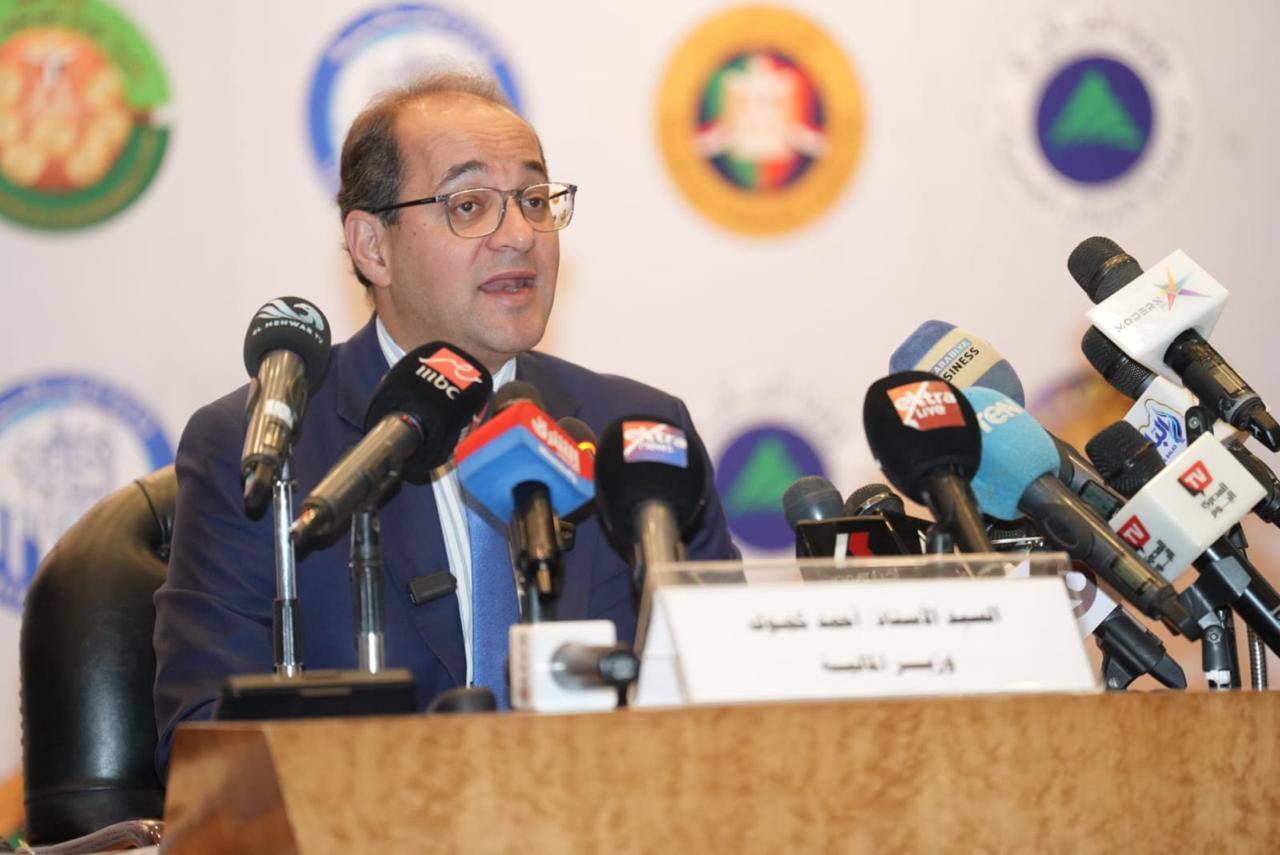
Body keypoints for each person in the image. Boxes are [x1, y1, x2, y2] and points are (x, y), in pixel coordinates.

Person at [151, 71, 737, 779]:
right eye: (469, 205)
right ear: (372, 246)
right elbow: (204, 745)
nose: (519, 236)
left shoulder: (640, 435)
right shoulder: (269, 449)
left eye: (534, 200)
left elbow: (736, 703)